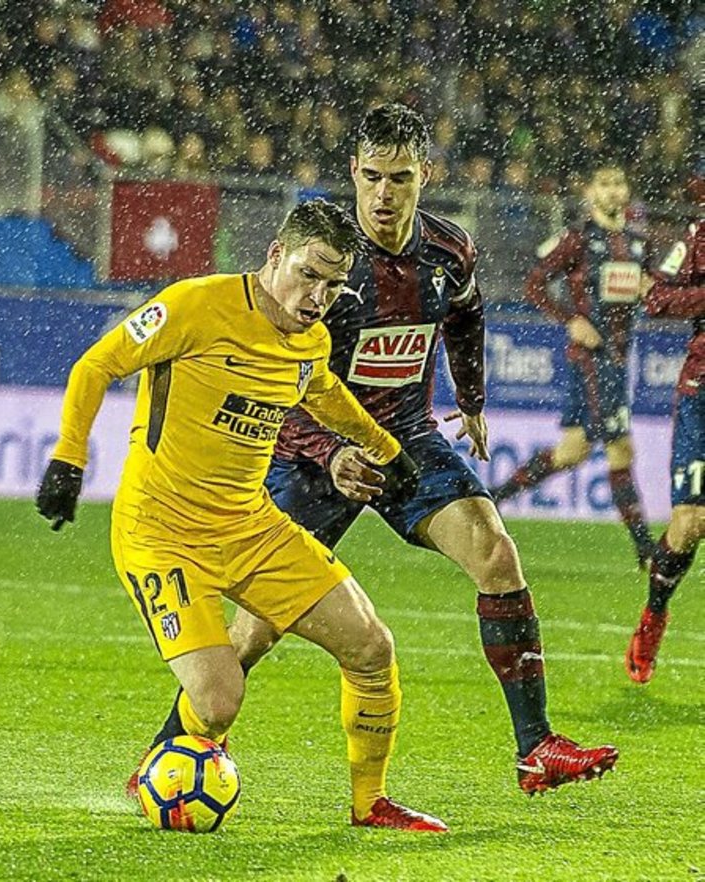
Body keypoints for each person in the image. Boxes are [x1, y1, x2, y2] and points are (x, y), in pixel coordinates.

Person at [230, 103, 618, 794]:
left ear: (425, 176)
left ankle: (535, 748)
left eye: (400, 178)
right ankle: (176, 746)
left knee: (496, 553)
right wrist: (329, 453)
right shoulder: (325, 260)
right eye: (372, 177)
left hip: (406, 439)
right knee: (256, 629)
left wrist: (471, 400)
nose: (384, 194)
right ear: (354, 171)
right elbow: (279, 371)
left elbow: (467, 313)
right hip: (314, 454)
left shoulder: (448, 250)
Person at [36, 199, 448, 833]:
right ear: (276, 255)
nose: (319, 296)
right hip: (161, 532)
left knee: (371, 646)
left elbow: (323, 393)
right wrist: (69, 458)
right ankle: (167, 765)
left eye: (334, 284)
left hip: (250, 527)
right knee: (219, 701)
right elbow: (98, 364)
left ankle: (371, 804)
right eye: (309, 274)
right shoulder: (195, 305)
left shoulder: (310, 339)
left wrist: (386, 450)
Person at [491, 161, 656, 567]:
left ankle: (492, 500)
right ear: (590, 192)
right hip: (593, 360)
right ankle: (646, 550)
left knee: (572, 452)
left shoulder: (638, 242)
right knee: (620, 448)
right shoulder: (579, 239)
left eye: (619, 182)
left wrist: (652, 292)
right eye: (605, 183)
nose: (613, 190)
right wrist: (571, 320)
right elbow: (534, 284)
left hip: (619, 358)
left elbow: (650, 290)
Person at [625, 217, 704, 682]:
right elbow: (655, 297)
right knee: (690, 522)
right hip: (701, 391)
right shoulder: (699, 234)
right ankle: (654, 615)